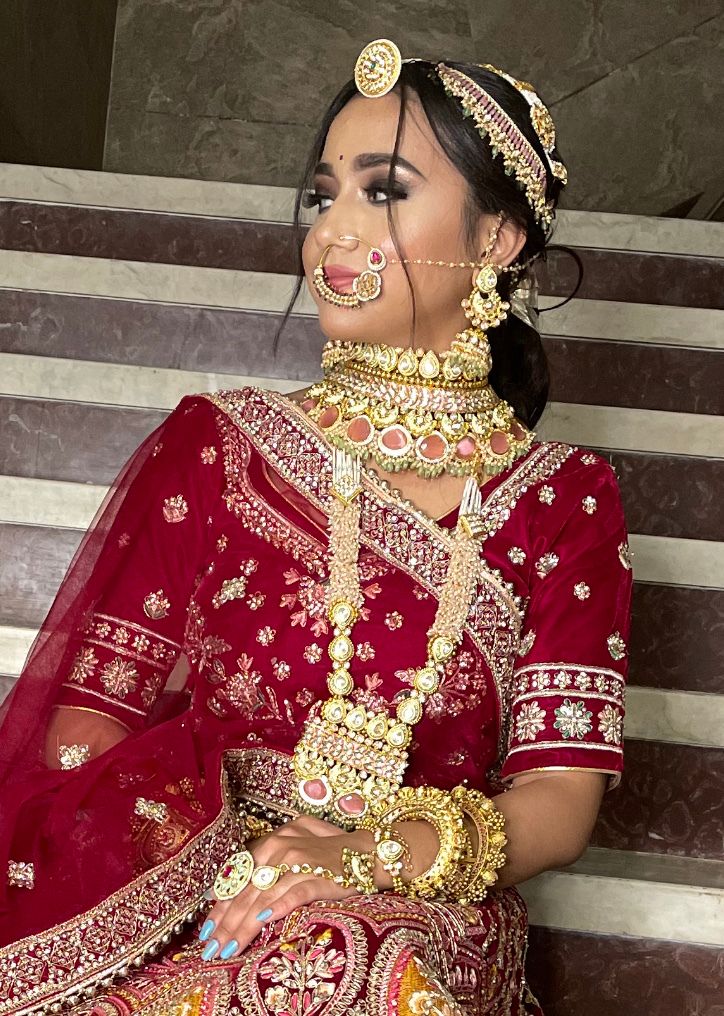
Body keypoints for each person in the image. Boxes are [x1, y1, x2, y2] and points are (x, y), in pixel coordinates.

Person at [0, 39, 632, 1016]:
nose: (333, 229)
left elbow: (558, 801)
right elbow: (87, 727)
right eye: (323, 195)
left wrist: (360, 858)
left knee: (353, 962)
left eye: (383, 192)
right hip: (203, 886)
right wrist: (232, 851)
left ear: (497, 240)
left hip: (417, 905)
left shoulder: (564, 498)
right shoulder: (218, 446)